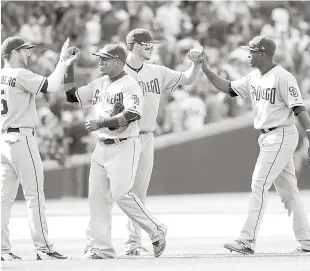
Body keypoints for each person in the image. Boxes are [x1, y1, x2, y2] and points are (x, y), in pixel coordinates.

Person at [191, 35, 310, 254]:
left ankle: (247, 240)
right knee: (289, 193)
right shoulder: (254, 76)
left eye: (252, 51)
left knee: (259, 184)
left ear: (263, 53)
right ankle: (307, 242)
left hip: (281, 133)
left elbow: (299, 108)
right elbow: (228, 88)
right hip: (267, 136)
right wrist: (205, 69)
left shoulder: (283, 77)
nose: (248, 54)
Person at [65, 44, 167, 259]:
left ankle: (156, 228)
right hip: (101, 146)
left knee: (122, 195)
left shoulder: (130, 84)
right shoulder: (99, 83)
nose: (100, 62)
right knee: (97, 198)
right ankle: (102, 249)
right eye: (100, 58)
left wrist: (102, 122)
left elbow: (133, 114)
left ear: (120, 62)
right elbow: (72, 96)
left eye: (106, 59)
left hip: (124, 145)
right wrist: (68, 66)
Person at [122, 28, 203, 255]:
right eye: (147, 44)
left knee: (138, 194)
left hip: (147, 136)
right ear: (136, 45)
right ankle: (99, 243)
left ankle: (133, 244)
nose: (151, 47)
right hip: (124, 137)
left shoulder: (156, 71)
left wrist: (196, 65)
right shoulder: (119, 71)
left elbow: (187, 79)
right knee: (117, 193)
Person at [1, 36, 79, 260]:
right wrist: (63, 60)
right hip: (21, 138)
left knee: (3, 200)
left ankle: (3, 250)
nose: (28, 54)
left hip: (3, 141)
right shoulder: (19, 74)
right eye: (24, 50)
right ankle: (43, 248)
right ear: (14, 52)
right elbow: (52, 86)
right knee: (34, 195)